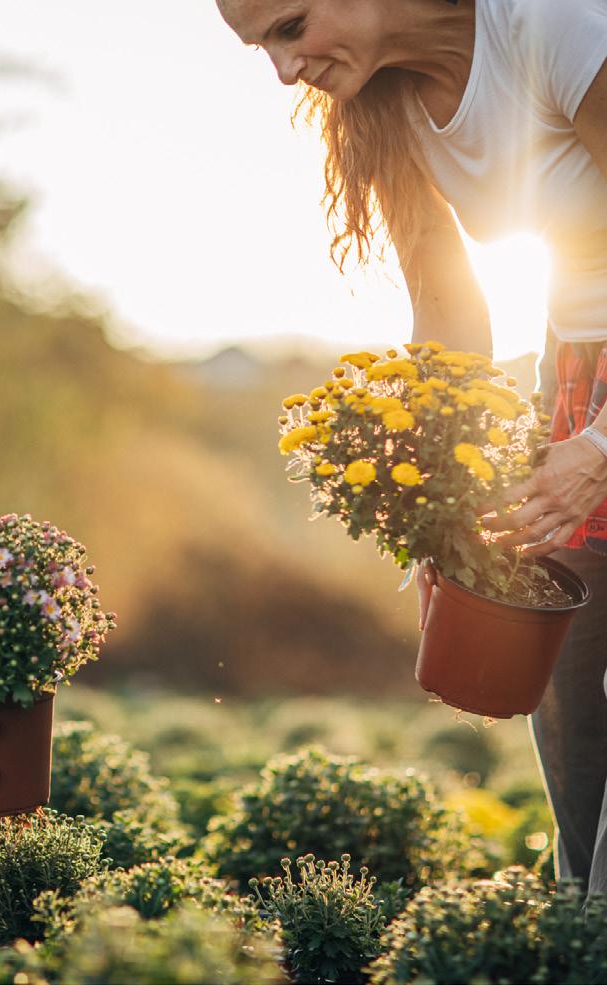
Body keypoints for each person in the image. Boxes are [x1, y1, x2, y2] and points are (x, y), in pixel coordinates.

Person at [215, 0, 607, 893]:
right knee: (572, 707)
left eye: (290, 26)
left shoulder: (553, 30)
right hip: (574, 368)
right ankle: (580, 937)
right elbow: (449, 314)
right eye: (260, 50)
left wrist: (600, 446)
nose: (284, 71)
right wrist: (444, 514)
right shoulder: (380, 107)